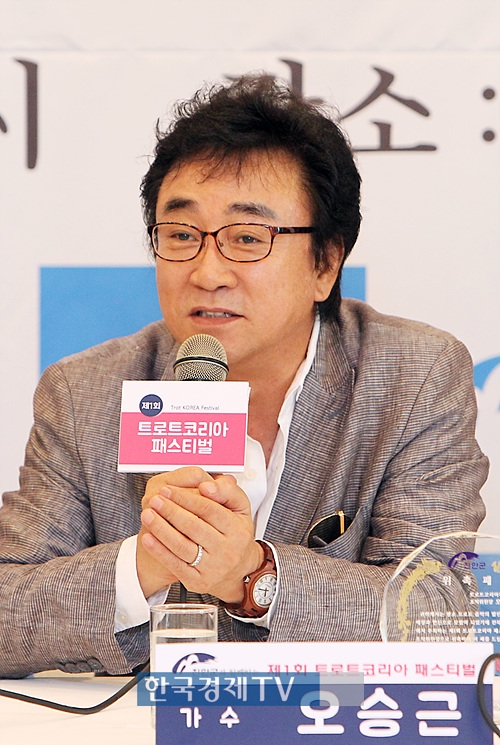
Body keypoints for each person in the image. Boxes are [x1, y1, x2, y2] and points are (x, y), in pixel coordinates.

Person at [0, 75, 488, 678]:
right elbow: (7, 611)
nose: (207, 273)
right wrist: (145, 565)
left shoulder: (413, 377)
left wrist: (252, 575)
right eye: (181, 236)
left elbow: (438, 612)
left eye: (248, 238)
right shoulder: (85, 392)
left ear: (325, 264)